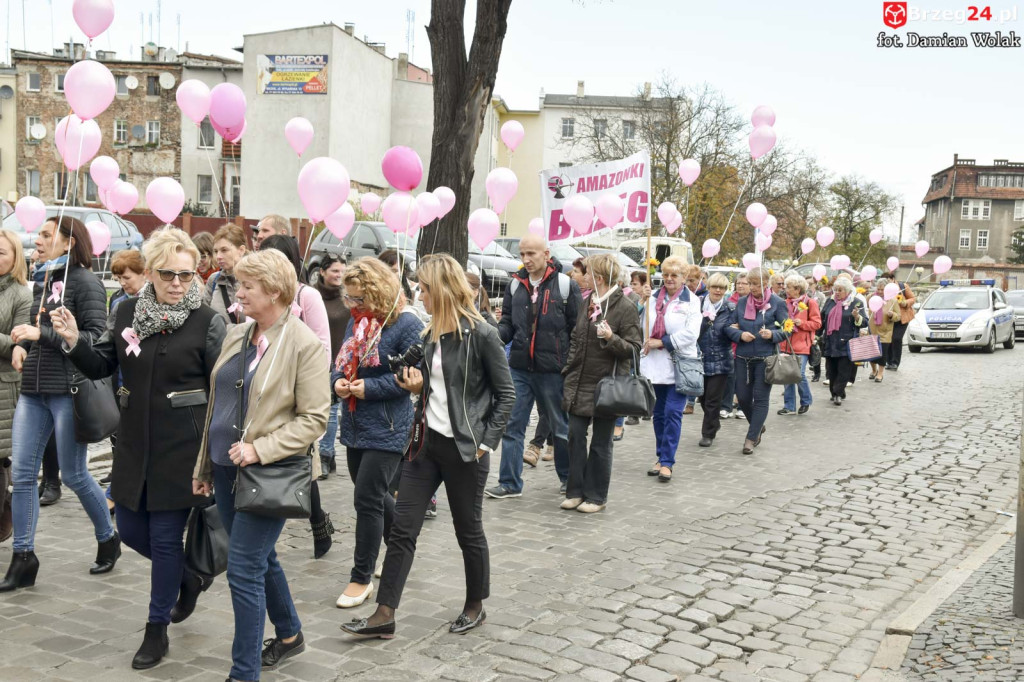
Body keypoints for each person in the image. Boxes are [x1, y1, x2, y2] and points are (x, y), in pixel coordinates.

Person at [53, 228, 226, 669]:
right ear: (150, 273)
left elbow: (222, 390)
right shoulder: (128, 310)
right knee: (130, 530)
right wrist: (73, 340)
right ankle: (189, 577)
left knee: (165, 538)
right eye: (168, 274)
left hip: (182, 446)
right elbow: (103, 364)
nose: (177, 283)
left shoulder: (207, 321)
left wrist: (215, 454)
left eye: (186, 275)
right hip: (133, 442)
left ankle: (156, 629)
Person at [341, 254, 515, 640]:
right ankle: (384, 613)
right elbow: (432, 386)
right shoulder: (430, 333)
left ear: (443, 290)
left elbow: (506, 394)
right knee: (403, 530)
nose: (420, 296)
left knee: (468, 530)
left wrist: (486, 443)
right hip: (426, 446)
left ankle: (475, 605)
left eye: (424, 289)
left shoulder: (482, 334)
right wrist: (417, 386)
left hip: (466, 449)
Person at [192, 249, 330, 680]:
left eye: (248, 285)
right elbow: (219, 403)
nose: (238, 292)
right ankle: (289, 633)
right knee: (260, 558)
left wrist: (260, 449)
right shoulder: (238, 333)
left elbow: (314, 419)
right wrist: (205, 467)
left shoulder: (304, 344)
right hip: (225, 467)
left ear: (274, 291)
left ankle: (244, 672)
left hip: (270, 473)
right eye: (239, 283)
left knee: (244, 568)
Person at [1, 217, 120, 592]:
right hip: (33, 391)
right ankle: (23, 557)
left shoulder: (85, 281)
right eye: (38, 234)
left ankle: (108, 538)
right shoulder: (44, 279)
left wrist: (42, 335)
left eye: (46, 235)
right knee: (23, 475)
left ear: (69, 243)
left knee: (73, 474)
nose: (37, 240)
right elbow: (35, 327)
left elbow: (94, 337)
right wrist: (22, 346)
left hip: (69, 390)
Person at [332, 258, 423, 608]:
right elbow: (341, 363)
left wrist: (368, 388)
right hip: (356, 423)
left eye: (359, 298)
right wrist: (338, 382)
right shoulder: (356, 321)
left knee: (366, 500)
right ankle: (401, 543)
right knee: (372, 492)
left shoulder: (406, 324)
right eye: (350, 298)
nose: (353, 304)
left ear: (378, 292)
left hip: (388, 425)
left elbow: (410, 378)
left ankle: (361, 577)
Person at [259, 234, 335, 558]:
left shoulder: (307, 296)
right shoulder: (259, 296)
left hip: (296, 390)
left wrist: (305, 385)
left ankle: (318, 523)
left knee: (302, 459)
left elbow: (323, 347)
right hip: (263, 388)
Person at [490, 235, 581, 498]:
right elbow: (508, 324)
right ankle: (509, 483)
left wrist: (569, 364)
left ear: (546, 254)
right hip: (519, 368)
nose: (526, 259)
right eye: (522, 254)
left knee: (560, 427)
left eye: (531, 253)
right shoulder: (515, 285)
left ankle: (568, 479)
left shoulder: (565, 285)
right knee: (512, 425)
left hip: (553, 370)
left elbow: (577, 330)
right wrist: (493, 334)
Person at [560, 254, 641, 511]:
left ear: (599, 277)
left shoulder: (625, 306)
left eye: (587, 273)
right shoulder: (588, 302)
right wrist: (568, 368)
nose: (582, 277)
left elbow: (634, 349)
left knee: (601, 442)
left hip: (607, 385)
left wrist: (611, 338)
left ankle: (596, 496)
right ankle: (575, 491)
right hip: (580, 381)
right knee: (574, 435)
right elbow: (576, 337)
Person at [639, 255, 701, 481]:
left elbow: (691, 334)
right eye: (665, 274)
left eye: (674, 275)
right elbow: (640, 326)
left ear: (684, 277)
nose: (669, 279)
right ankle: (660, 456)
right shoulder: (653, 297)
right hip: (655, 365)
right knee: (658, 414)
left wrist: (663, 342)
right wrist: (641, 301)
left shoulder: (691, 301)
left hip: (679, 365)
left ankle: (667, 461)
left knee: (673, 412)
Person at [723, 267, 789, 455]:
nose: (751, 287)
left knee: (760, 398)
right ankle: (758, 425)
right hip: (742, 358)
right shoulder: (742, 302)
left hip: (765, 358)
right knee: (743, 397)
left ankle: (751, 438)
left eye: (755, 284)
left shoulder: (778, 303)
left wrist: (773, 334)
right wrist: (739, 334)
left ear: (766, 283)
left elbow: (788, 329)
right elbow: (728, 326)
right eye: (750, 284)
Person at [0, 230, 32, 544]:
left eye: (1, 253)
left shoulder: (22, 294)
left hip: (3, 386)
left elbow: (18, 343)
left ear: (15, 258)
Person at [316, 254, 350, 479]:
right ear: (322, 272)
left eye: (342, 271)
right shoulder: (313, 295)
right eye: (335, 271)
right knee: (326, 410)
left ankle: (326, 454)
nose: (339, 275)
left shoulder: (348, 296)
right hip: (320, 361)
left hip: (343, 361)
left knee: (332, 411)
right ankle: (325, 454)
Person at [696, 273, 736, 447]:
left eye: (722, 288)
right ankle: (714, 422)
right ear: (708, 287)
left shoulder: (731, 308)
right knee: (703, 398)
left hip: (721, 359)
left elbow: (733, 331)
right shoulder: (697, 304)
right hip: (699, 358)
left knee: (713, 399)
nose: (718, 291)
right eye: (715, 287)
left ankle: (708, 433)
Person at [778, 274, 822, 416]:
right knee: (787, 375)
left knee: (799, 374)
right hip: (786, 344)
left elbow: (817, 323)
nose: (786, 290)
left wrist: (801, 323)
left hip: (802, 345)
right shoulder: (784, 303)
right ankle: (789, 406)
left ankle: (806, 400)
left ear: (797, 289)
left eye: (789, 287)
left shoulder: (810, 303)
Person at [821, 278, 867, 406]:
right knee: (832, 370)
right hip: (830, 341)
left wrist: (857, 316)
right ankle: (835, 392)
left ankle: (838, 393)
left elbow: (864, 322)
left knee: (844, 370)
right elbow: (822, 318)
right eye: (835, 289)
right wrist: (816, 335)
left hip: (846, 342)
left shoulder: (855, 303)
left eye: (840, 290)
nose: (837, 292)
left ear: (847, 291)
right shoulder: (830, 301)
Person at [204, 223, 248, 325]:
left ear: (241, 250)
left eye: (224, 250)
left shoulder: (255, 279)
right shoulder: (214, 280)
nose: (218, 256)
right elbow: (205, 317)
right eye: (216, 251)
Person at [721, 273, 750, 418]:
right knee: (729, 377)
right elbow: (725, 323)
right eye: (738, 283)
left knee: (744, 378)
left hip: (746, 345)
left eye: (744, 283)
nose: (741, 285)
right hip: (730, 344)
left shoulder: (753, 302)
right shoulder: (729, 301)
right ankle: (726, 407)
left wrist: (741, 326)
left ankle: (742, 407)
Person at [869, 279, 901, 383]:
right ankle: (874, 370)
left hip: (885, 332)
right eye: (878, 289)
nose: (879, 291)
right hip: (872, 330)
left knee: (882, 354)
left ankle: (880, 374)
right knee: (871, 354)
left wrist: (892, 315)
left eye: (882, 289)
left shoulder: (892, 301)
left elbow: (898, 316)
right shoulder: (870, 297)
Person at [886, 275, 915, 371]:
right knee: (889, 339)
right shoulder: (884, 289)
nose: (887, 283)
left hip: (902, 318)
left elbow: (912, 298)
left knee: (897, 338)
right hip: (889, 318)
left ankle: (895, 362)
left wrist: (905, 302)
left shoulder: (903, 286)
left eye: (888, 280)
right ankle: (889, 361)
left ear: (893, 279)